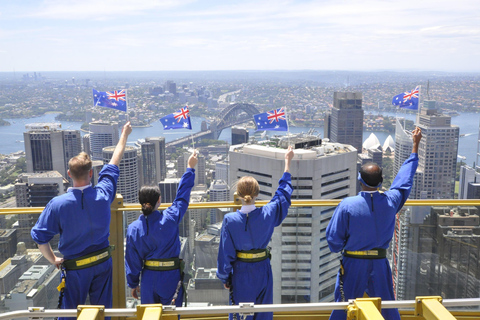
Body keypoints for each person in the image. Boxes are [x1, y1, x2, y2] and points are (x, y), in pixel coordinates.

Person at [31, 121, 132, 318]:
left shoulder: (58, 204)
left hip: (75, 268)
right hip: (103, 262)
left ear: (68, 174)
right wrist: (124, 135)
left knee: (69, 313)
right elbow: (114, 162)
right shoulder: (103, 195)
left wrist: (54, 260)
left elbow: (40, 238)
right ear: (91, 173)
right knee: (102, 312)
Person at [326, 127, 422, 320]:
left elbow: (333, 240)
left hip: (353, 263)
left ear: (360, 180)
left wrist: (346, 246)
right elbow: (404, 181)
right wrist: (415, 146)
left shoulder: (347, 205)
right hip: (379, 263)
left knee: (344, 308)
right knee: (387, 307)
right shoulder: (391, 201)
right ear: (380, 182)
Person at [217, 146, 294, 320]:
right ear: (257, 194)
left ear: (239, 194)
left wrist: (225, 277)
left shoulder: (230, 220)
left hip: (240, 272)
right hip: (263, 269)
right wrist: (287, 163)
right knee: (264, 314)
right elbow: (282, 195)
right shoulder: (268, 213)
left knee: (241, 314)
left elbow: (226, 253)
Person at [125, 150, 198, 306]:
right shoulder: (170, 218)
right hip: (170, 277)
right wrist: (190, 168)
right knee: (172, 314)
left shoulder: (133, 229)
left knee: (150, 316)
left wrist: (133, 284)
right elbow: (182, 197)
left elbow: (132, 260)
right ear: (159, 200)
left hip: (148, 279)